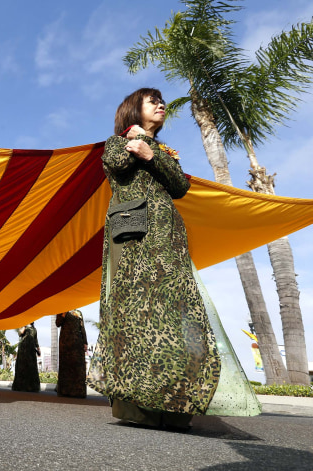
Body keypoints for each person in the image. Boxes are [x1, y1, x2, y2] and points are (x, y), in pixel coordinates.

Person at [86, 88, 221, 429]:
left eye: (162, 101)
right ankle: (138, 408)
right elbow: (115, 165)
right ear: (134, 109)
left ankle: (174, 406)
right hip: (132, 234)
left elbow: (179, 186)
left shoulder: (163, 150)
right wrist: (137, 145)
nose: (161, 105)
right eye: (152, 101)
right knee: (136, 312)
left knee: (172, 312)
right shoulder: (116, 142)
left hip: (168, 234)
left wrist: (150, 152)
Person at [55, 310, 87, 398]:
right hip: (66, 343)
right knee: (66, 366)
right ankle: (65, 391)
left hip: (77, 343)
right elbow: (57, 323)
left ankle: (78, 392)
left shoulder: (79, 312)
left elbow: (82, 328)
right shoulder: (63, 310)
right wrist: (63, 314)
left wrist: (85, 342)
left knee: (78, 367)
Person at [12, 322, 40, 392]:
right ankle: (21, 386)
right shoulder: (23, 326)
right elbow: (20, 333)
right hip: (23, 350)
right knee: (22, 367)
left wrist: (38, 349)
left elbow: (35, 340)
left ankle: (31, 387)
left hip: (31, 351)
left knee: (31, 367)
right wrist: (23, 325)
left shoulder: (34, 329)